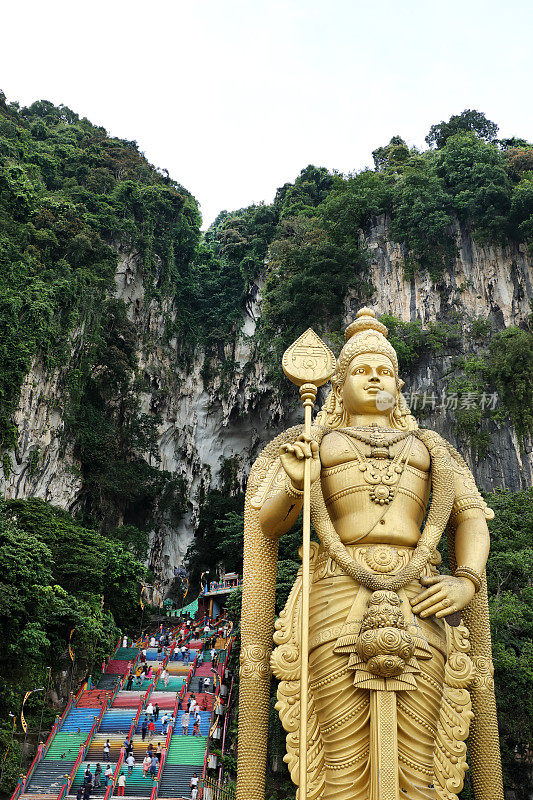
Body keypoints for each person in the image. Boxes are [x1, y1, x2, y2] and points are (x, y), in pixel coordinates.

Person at [238, 308, 503, 800]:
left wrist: (466, 579)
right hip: (335, 599)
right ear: (339, 384)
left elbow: (469, 516)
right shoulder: (316, 439)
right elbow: (268, 523)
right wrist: (296, 482)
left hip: (420, 596)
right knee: (337, 762)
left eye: (385, 371)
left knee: (425, 761)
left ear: (399, 386)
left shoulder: (431, 448)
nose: (375, 378)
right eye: (362, 370)